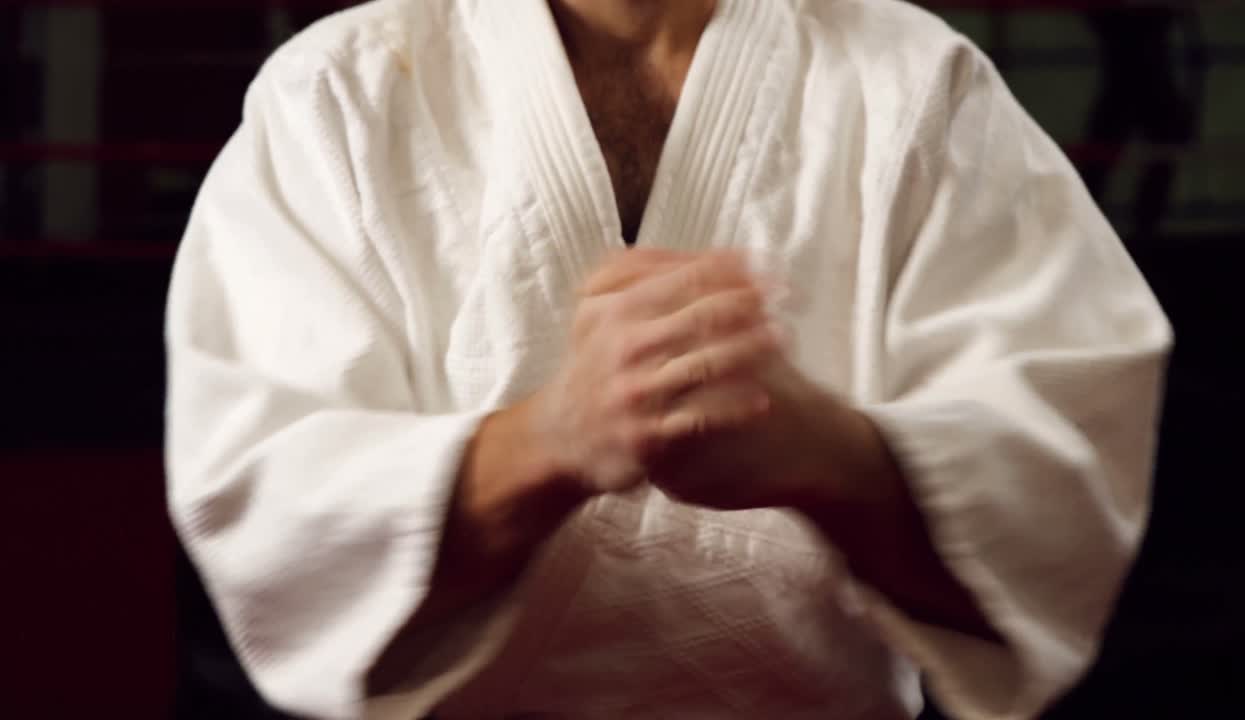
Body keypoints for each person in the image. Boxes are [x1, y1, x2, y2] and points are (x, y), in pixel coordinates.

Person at [164, 0, 1172, 718]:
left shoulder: (916, 85)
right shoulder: (335, 95)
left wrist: (830, 454)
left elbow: (1060, 493)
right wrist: (546, 442)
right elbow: (270, 509)